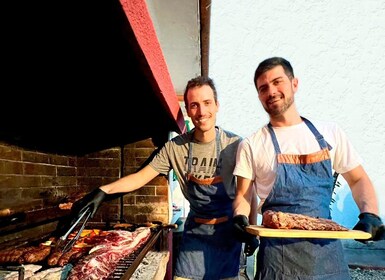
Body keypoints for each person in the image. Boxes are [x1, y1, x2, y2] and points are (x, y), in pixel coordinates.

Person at [64, 76, 258, 280]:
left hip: (227, 236)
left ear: (217, 105)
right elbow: (140, 177)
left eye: (207, 103)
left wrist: (252, 229)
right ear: (188, 111)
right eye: (194, 105)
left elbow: (247, 193)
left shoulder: (236, 145)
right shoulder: (175, 148)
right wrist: (103, 191)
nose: (201, 112)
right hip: (195, 235)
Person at [232, 57, 385, 280]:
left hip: (328, 260)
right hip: (278, 264)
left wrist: (370, 213)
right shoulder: (252, 144)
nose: (271, 91)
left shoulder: (330, 133)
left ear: (294, 83)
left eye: (278, 82)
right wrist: (240, 218)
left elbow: (358, 179)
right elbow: (243, 195)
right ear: (259, 96)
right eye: (263, 88)